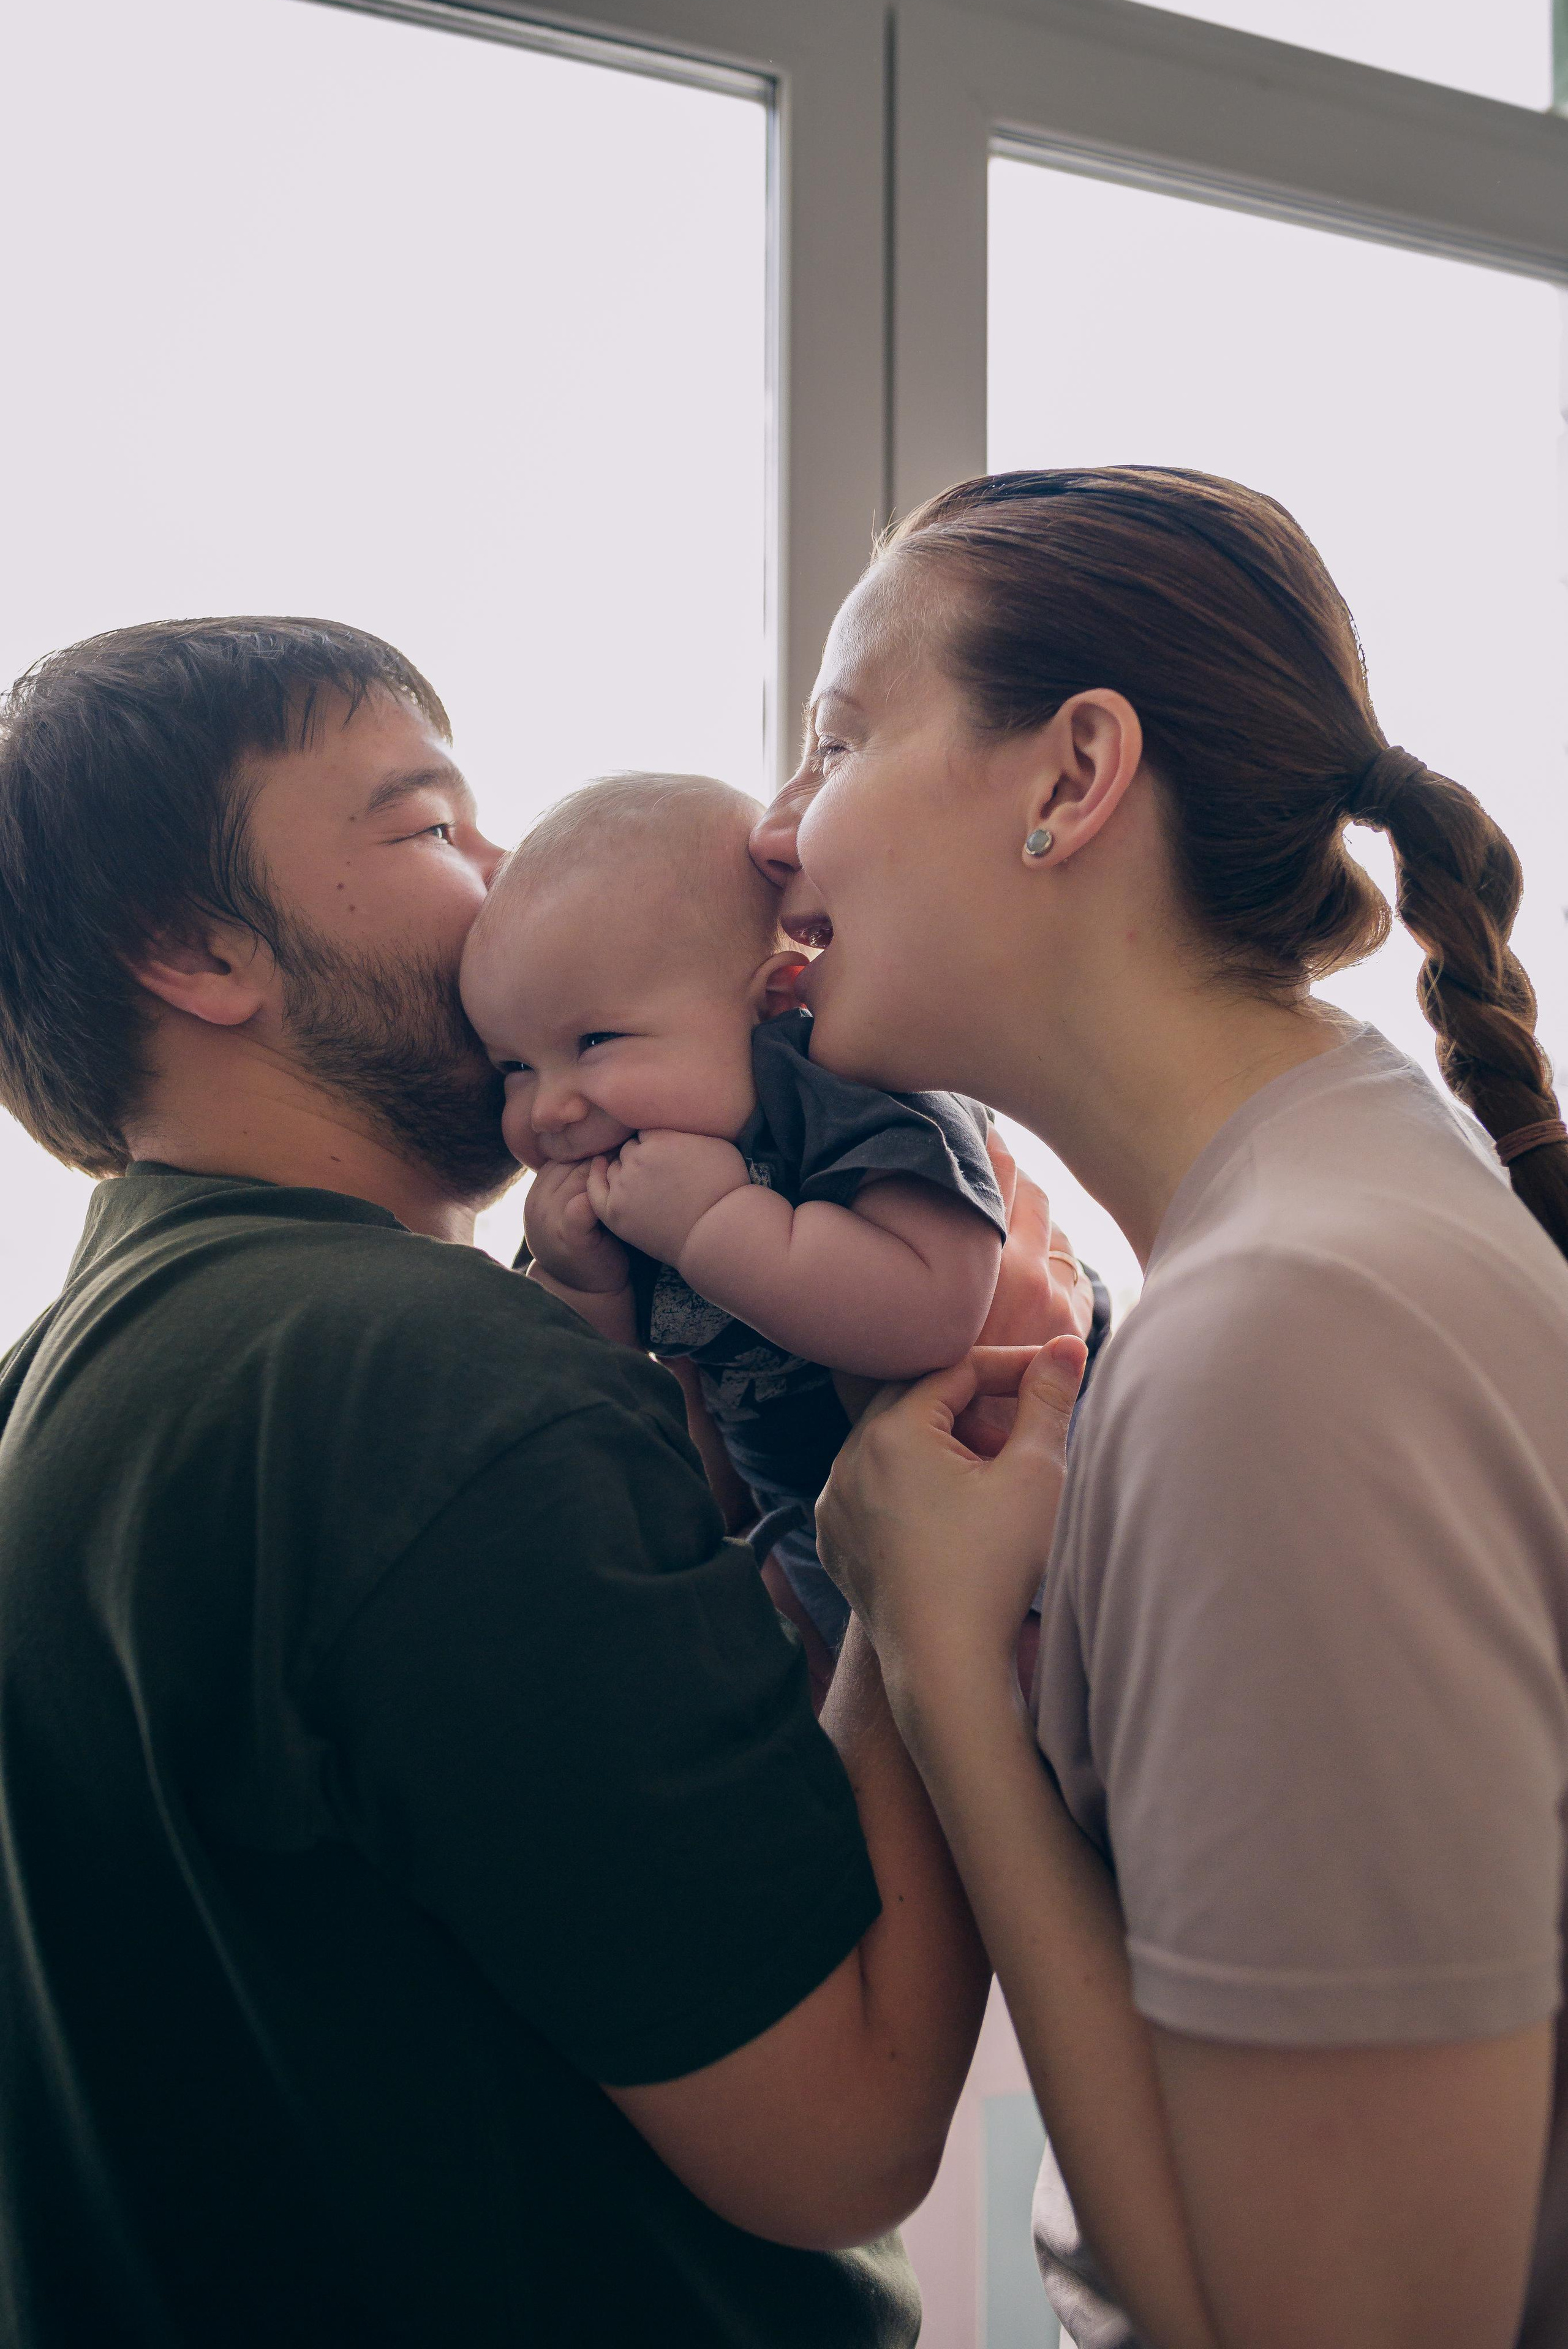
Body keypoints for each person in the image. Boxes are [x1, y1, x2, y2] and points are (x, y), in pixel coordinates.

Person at [0, 615, 1085, 2348]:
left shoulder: (70, 1375)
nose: (511, 886)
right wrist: (913, 1550)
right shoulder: (420, 1384)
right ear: (192, 948)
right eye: (432, 829)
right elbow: (843, 2138)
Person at [749, 466, 1568, 2349]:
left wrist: (944, 1661)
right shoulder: (1319, 1231)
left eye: (838, 740)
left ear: (1072, 776)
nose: (769, 838)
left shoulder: (1291, 1339)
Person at [459, 769, 1020, 1657]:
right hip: (806, 1526)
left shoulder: (847, 1091)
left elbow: (934, 1310)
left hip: (1011, 1507)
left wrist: (715, 1225)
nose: (548, 1110)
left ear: (774, 1000)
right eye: (513, 1068)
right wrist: (587, 1289)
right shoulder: (617, 1180)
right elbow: (614, 1415)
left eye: (593, 1043)